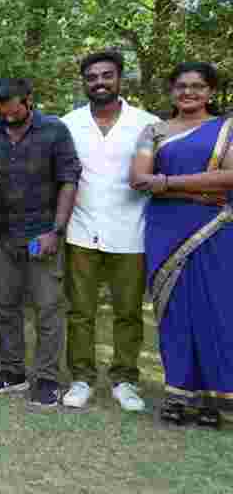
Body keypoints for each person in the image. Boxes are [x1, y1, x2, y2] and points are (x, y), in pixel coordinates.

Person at [131, 62, 233, 428]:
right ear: (172, 91)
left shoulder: (226, 128)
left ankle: (213, 400)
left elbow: (230, 177)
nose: (189, 92)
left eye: (198, 86)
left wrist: (167, 183)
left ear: (211, 91)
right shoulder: (154, 130)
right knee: (172, 313)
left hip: (215, 230)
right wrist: (198, 188)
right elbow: (138, 178)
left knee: (216, 312)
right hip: (166, 230)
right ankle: (178, 394)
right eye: (182, 86)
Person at [61, 51, 159, 412]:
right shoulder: (68, 124)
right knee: (80, 311)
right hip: (81, 230)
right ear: (84, 83)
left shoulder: (148, 124)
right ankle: (81, 378)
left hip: (131, 230)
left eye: (107, 75)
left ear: (120, 78)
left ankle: (125, 380)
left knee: (128, 312)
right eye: (92, 77)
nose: (99, 82)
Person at [0, 79, 80, 408]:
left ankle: (48, 377)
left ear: (27, 100)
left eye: (12, 107)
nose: (6, 114)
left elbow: (69, 180)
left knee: (47, 307)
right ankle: (12, 372)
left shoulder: (54, 130)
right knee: (5, 306)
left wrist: (56, 230)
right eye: (0, 108)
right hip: (0, 237)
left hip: (40, 237)